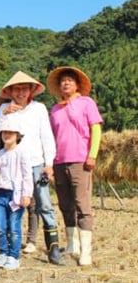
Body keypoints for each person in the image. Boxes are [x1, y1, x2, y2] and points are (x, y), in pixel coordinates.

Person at [0, 71, 64, 265]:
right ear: (11, 91)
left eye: (25, 88)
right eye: (17, 89)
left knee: (44, 204)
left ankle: (53, 248)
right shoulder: (5, 108)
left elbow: (47, 137)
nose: (21, 92)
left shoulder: (39, 109)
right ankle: (7, 250)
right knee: (8, 205)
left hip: (35, 163)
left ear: (31, 90)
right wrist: (2, 116)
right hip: (11, 164)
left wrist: (49, 164)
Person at [47, 66, 103, 266]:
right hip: (59, 162)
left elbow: (95, 129)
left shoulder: (87, 103)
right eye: (63, 80)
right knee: (65, 205)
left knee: (82, 205)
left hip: (80, 160)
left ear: (78, 84)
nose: (66, 82)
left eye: (70, 79)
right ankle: (72, 244)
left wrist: (92, 154)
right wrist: (50, 163)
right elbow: (51, 137)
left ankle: (86, 251)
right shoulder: (54, 110)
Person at [0, 119, 33, 270]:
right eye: (4, 132)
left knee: (14, 227)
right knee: (0, 225)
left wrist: (27, 194)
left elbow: (27, 175)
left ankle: (14, 255)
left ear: (17, 135)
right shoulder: (0, 154)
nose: (7, 135)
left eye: (10, 132)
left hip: (16, 195)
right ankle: (3, 253)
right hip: (2, 194)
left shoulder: (22, 152)